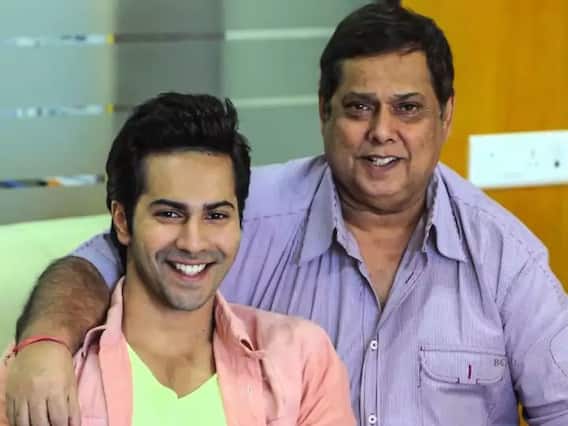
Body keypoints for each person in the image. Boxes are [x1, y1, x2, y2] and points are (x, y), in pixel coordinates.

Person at [5, 2, 568, 425]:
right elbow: (100, 264)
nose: (382, 131)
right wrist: (45, 343)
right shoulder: (236, 212)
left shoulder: (506, 258)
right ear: (324, 111)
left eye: (408, 108)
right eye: (359, 107)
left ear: (446, 115)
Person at [0, 93, 355, 426]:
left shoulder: (300, 360)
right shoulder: (45, 373)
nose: (193, 242)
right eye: (169, 214)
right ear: (122, 221)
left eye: (216, 216)